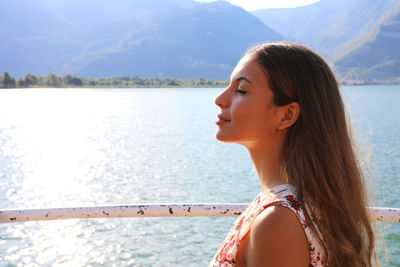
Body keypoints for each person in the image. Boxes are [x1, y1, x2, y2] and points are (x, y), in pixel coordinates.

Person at [209, 42, 376, 267]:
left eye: (241, 90)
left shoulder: (277, 221)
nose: (220, 99)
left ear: (287, 115)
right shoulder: (301, 206)